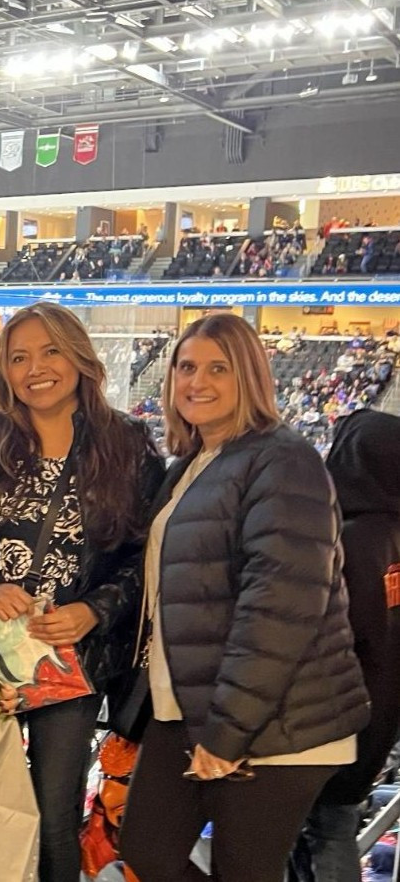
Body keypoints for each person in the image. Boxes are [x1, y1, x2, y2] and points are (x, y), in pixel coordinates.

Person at [118, 313, 369, 882]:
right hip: (188, 705)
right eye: (186, 367)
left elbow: (280, 607)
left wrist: (230, 731)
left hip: (275, 722)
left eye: (217, 368)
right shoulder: (194, 464)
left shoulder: (282, 459)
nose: (196, 381)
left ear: (250, 377)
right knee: (146, 849)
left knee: (244, 871)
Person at [0, 301, 164, 882]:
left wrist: (92, 611)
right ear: (4, 370)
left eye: (50, 351)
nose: (36, 368)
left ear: (78, 356)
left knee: (54, 813)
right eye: (19, 356)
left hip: (70, 664)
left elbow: (146, 555)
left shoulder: (127, 442)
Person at [296, 409, 400, 882]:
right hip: (381, 722)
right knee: (334, 828)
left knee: (320, 833)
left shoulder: (348, 540)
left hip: (333, 718)